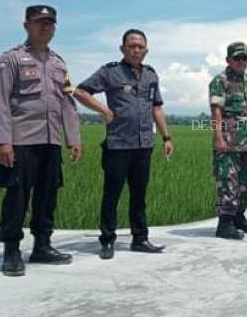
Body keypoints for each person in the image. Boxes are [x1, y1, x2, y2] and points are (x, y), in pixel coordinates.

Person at [0, 5, 82, 277]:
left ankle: (42, 245)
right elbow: (1, 101)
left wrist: (73, 138)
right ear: (26, 25)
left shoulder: (59, 63)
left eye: (50, 23)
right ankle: (11, 250)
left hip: (51, 141)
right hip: (21, 141)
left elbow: (67, 102)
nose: (46, 27)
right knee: (17, 196)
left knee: (48, 195)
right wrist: (3, 142)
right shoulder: (11, 59)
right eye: (40, 22)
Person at [73, 29, 173, 259]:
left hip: (144, 145)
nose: (136, 50)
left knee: (139, 195)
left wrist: (166, 137)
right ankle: (107, 240)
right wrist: (104, 110)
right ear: (122, 49)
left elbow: (156, 107)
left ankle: (140, 238)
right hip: (117, 145)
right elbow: (80, 91)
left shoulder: (151, 75)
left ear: (146, 50)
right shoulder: (111, 72)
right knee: (112, 194)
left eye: (140, 46)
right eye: (132, 46)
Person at [209, 42, 247, 240]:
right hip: (228, 142)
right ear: (228, 60)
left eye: (244, 58)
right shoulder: (220, 80)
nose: (241, 62)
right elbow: (216, 111)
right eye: (237, 58)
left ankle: (239, 216)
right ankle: (225, 223)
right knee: (227, 182)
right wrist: (219, 138)